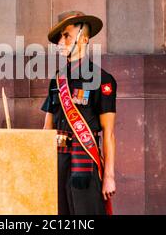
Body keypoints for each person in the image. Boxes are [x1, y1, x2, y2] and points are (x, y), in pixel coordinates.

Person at [41, 11, 117, 215]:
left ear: (83, 39)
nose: (60, 41)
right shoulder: (57, 80)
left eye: (66, 35)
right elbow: (46, 129)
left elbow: (108, 133)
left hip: (84, 158)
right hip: (57, 160)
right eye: (59, 37)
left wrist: (109, 176)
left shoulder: (103, 79)